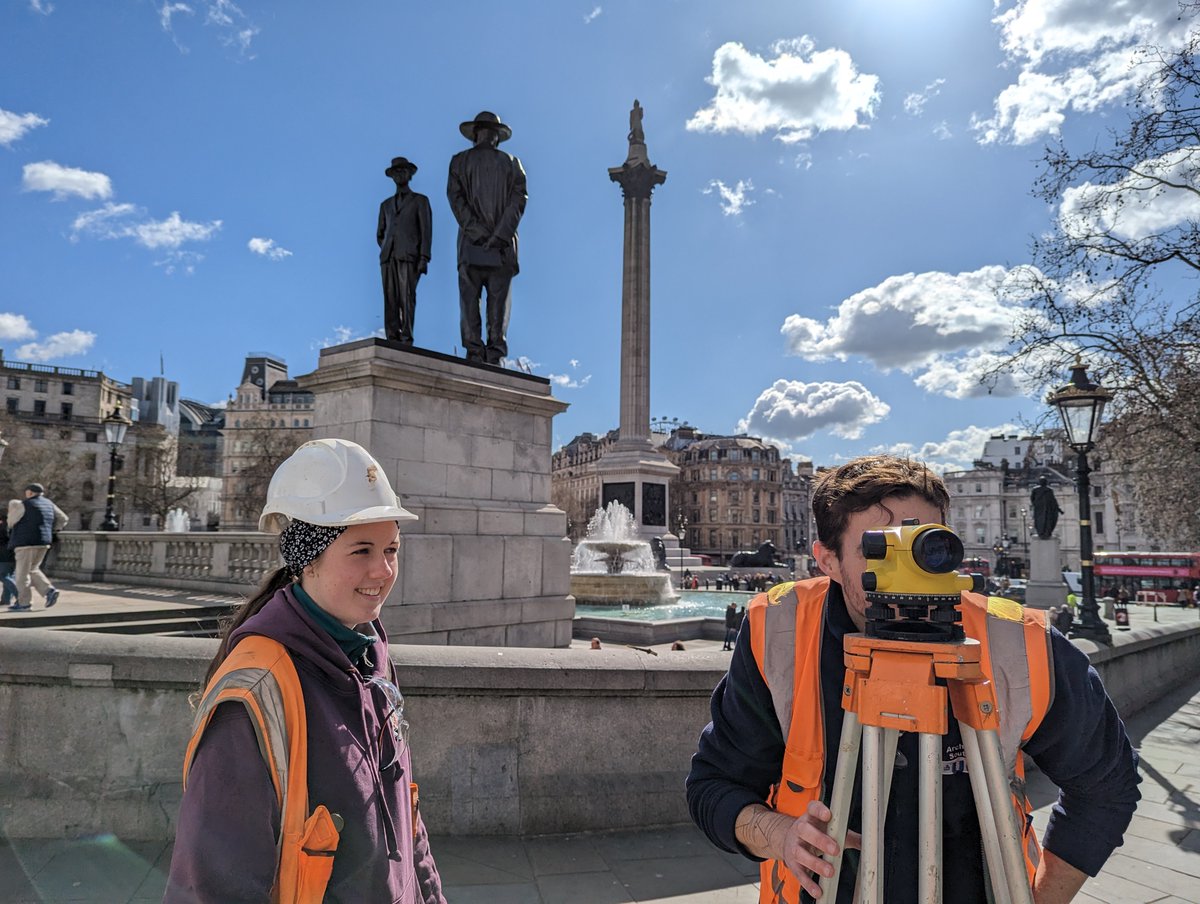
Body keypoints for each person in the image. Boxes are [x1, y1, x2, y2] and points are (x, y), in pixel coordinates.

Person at [686, 454, 1140, 904]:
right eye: (880, 550)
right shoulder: (780, 629)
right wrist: (780, 834)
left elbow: (1107, 782)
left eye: (926, 546)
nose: (911, 574)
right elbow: (714, 785)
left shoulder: (1017, 640)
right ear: (827, 560)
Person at [165, 439, 445, 903]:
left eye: (391, 549)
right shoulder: (255, 691)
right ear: (307, 559)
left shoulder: (370, 650)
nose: (383, 570)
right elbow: (210, 885)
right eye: (361, 551)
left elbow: (405, 816)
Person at [447, 111, 528, 365]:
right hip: (501, 247)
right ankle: (494, 353)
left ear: (475, 134)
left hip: (472, 245)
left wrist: (478, 232)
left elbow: (456, 200)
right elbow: (518, 202)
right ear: (496, 136)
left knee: (470, 301)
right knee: (498, 304)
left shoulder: (459, 162)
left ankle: (474, 350)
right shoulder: (512, 163)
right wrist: (499, 234)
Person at [377, 156, 432, 346]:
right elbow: (380, 233)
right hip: (388, 256)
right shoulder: (385, 205)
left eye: (403, 171)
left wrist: (424, 257)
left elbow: (426, 231)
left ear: (410, 174)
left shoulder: (420, 201)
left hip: (409, 255)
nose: (399, 175)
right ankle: (392, 335)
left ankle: (407, 337)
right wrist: (388, 247)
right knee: (390, 298)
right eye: (396, 172)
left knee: (407, 297)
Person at [7, 482, 68, 611]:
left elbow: (11, 522)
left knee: (21, 575)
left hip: (25, 543)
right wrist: (53, 529)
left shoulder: (23, 504)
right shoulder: (49, 504)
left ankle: (24, 604)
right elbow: (63, 518)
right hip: (44, 541)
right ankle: (49, 591)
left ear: (29, 492)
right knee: (33, 569)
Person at [1031, 475, 1064, 540]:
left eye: (1044, 481)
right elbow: (1032, 499)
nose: (1043, 482)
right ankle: (1042, 533)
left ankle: (1045, 533)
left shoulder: (1048, 490)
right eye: (1042, 481)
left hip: (1047, 509)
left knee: (1047, 522)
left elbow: (1053, 500)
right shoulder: (1036, 490)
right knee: (1040, 522)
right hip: (1040, 509)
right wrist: (1036, 504)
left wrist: (1059, 509)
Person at [0, 513, 19, 608]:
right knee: (8, 576)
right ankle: (6, 599)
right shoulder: (13, 526)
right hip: (12, 554)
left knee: (3, 576)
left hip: (4, 555)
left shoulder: (3, 527)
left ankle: (20, 595)